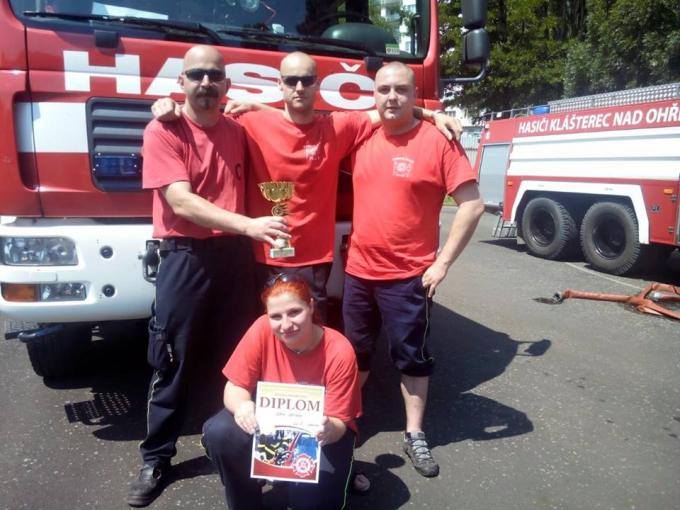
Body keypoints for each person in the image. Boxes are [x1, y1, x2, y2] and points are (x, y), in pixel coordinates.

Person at [152, 51, 461, 322]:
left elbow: (389, 110)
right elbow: (203, 117)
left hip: (313, 262)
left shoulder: (338, 127)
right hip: (258, 255)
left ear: (317, 84)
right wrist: (169, 107)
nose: (299, 87)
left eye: (306, 80)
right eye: (291, 81)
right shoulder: (249, 122)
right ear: (280, 85)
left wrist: (431, 114)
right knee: (260, 338)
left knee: (307, 338)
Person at [126, 45, 289, 508]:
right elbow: (181, 202)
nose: (205, 82)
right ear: (181, 82)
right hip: (186, 256)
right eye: (196, 74)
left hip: (234, 257)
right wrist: (249, 226)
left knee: (242, 361)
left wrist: (427, 112)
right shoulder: (164, 128)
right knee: (173, 360)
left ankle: (237, 452)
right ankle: (156, 458)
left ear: (226, 86)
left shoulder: (237, 129)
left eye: (214, 75)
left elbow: (298, 117)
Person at [342, 62, 485, 478]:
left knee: (412, 359)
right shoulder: (360, 134)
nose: (392, 97)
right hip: (358, 272)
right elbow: (304, 124)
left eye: (401, 90)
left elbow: (472, 205)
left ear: (413, 94)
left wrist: (442, 264)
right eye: (383, 89)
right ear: (373, 94)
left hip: (409, 277)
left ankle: (415, 433)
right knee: (354, 354)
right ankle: (345, 423)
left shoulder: (439, 142)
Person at [202, 275, 361, 510]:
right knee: (220, 432)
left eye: (294, 312)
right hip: (272, 427)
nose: (285, 325)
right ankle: (246, 500)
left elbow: (340, 422)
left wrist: (329, 429)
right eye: (276, 316)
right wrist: (243, 406)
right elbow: (234, 387)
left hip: (321, 437)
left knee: (311, 502)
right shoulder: (261, 329)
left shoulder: (339, 350)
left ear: (311, 306)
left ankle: (341, 473)